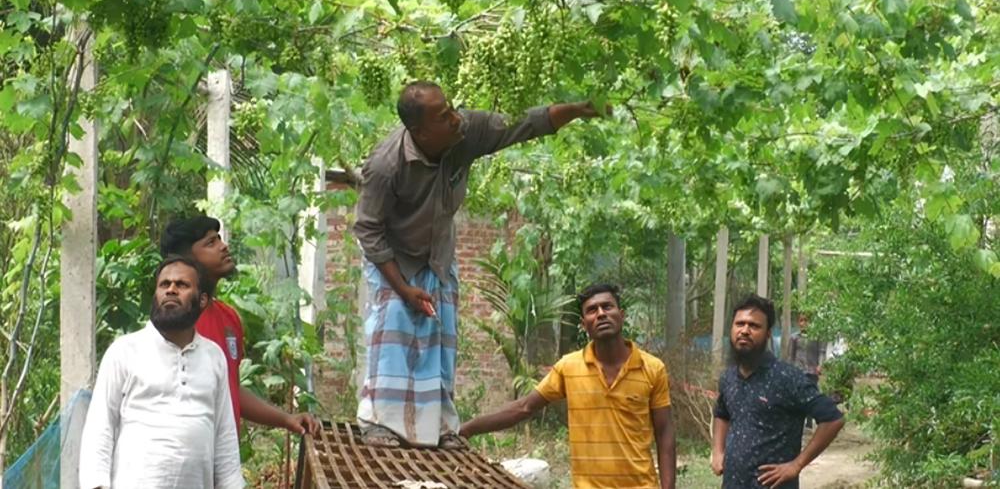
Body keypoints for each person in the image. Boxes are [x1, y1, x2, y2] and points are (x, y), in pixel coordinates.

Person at [353, 81, 608, 448]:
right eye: (443, 116)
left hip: (436, 255)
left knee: (439, 341)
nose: (455, 118)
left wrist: (580, 107)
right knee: (393, 336)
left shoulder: (465, 132)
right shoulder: (385, 165)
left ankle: (438, 428)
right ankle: (378, 423)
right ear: (419, 131)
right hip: (394, 258)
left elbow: (523, 124)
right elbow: (368, 230)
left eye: (452, 108)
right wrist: (403, 288)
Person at [460, 284, 676, 489]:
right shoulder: (568, 367)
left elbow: (664, 432)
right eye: (592, 310)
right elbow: (523, 408)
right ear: (584, 324)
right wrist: (466, 429)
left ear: (622, 314)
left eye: (607, 307)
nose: (601, 313)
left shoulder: (653, 368)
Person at [79, 256, 245, 489]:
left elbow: (224, 435)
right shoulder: (125, 351)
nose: (171, 290)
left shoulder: (214, 356)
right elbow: (100, 427)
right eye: (164, 284)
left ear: (203, 300)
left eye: (182, 285)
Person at [160, 216, 321, 436]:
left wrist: (286, 419)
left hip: (224, 459)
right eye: (211, 243)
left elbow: (231, 389)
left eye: (219, 239)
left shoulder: (229, 318)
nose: (223, 246)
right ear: (185, 260)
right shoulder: (173, 325)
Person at [712, 295, 846, 488]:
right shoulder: (728, 378)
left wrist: (796, 465)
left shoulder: (788, 377)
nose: (745, 330)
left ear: (767, 334)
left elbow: (833, 419)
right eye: (739, 324)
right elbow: (721, 413)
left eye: (754, 326)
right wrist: (717, 451)